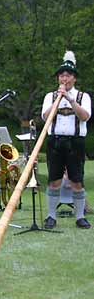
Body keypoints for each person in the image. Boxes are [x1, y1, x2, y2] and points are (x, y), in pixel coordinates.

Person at [41, 51, 91, 229]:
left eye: (68, 75)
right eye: (61, 75)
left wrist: (69, 99)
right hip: (54, 142)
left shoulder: (83, 97)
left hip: (75, 143)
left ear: (74, 78)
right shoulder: (50, 96)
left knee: (76, 180)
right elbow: (45, 117)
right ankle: (51, 217)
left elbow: (85, 116)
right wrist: (58, 99)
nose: (64, 78)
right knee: (54, 179)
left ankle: (80, 216)